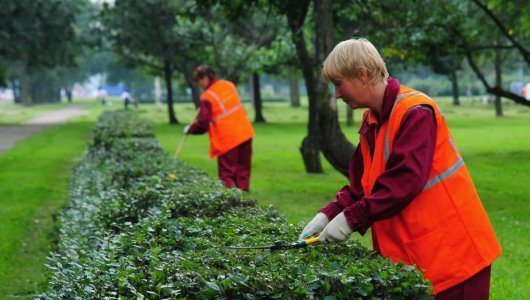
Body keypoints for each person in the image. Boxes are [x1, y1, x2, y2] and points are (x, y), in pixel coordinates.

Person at [299, 38, 501, 299]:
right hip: (424, 256)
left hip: (455, 256)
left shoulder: (415, 112)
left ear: (361, 75)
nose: (337, 94)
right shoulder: (371, 119)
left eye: (339, 84)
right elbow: (362, 186)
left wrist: (352, 219)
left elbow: (404, 181)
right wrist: (328, 214)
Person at [184, 65, 255, 191]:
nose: (199, 84)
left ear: (205, 78)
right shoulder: (228, 85)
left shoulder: (207, 97)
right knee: (243, 171)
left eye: (199, 80)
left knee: (227, 174)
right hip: (245, 133)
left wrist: (190, 129)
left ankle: (231, 205)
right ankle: (244, 203)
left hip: (227, 139)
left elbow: (203, 124)